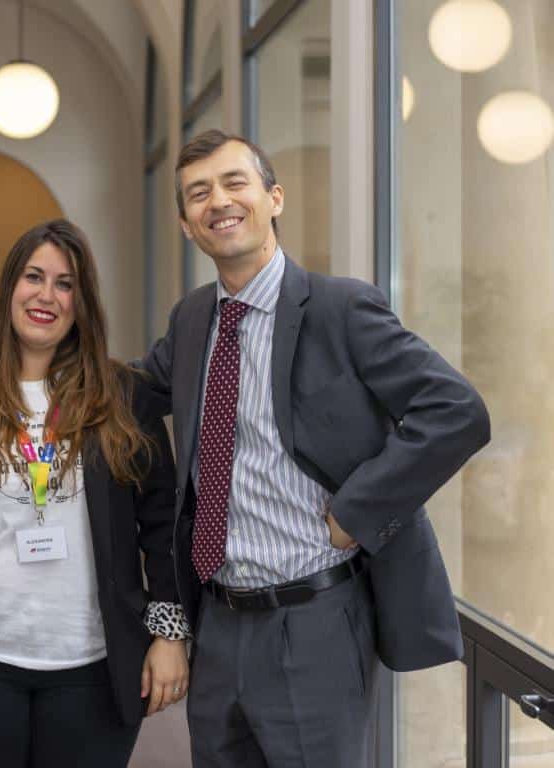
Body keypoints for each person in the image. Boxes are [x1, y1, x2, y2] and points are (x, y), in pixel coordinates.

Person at [139, 130, 491, 766]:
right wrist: (7, 364)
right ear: (187, 224)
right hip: (217, 622)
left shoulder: (340, 308)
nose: (219, 201)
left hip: (314, 621)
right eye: (199, 193)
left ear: (273, 198)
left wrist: (358, 510)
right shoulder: (192, 320)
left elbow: (456, 411)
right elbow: (127, 391)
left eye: (235, 182)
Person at [0, 219, 191, 768]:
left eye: (65, 283)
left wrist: (169, 633)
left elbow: (163, 523)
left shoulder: (122, 398)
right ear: (10, 287)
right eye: (33, 277)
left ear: (82, 301)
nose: (47, 295)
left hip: (94, 668)